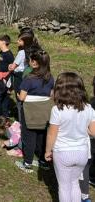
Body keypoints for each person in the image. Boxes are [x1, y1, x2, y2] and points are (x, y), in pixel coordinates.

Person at [45, 72, 95, 202]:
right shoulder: (89, 108)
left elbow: (52, 134)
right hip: (82, 153)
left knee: (64, 186)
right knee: (74, 183)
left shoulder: (57, 110)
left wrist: (48, 151)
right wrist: (82, 129)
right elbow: (93, 132)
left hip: (63, 152)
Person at [15, 50, 54, 173]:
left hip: (30, 111)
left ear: (35, 63)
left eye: (31, 60)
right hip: (45, 112)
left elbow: (22, 97)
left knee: (29, 137)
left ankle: (27, 163)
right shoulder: (50, 78)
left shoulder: (29, 78)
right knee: (42, 136)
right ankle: (43, 161)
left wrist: (17, 93)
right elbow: (51, 94)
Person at [9, 31, 36, 119]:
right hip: (28, 75)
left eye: (20, 40)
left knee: (20, 100)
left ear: (25, 42)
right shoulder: (33, 51)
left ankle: (21, 121)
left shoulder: (21, 53)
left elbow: (13, 67)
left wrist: (9, 66)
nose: (17, 41)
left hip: (19, 77)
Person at [79, 76, 95, 202]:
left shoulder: (91, 105)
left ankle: (84, 195)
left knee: (85, 166)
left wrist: (81, 128)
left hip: (90, 143)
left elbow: (92, 132)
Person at [0, 35, 14, 119]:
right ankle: (5, 116)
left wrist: (7, 79)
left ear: (3, 42)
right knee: (4, 97)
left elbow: (12, 69)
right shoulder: (1, 53)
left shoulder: (9, 55)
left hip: (4, 79)